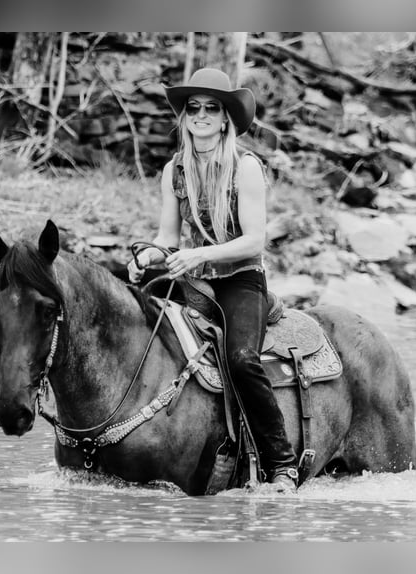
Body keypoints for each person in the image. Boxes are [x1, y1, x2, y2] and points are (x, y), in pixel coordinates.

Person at [127, 68, 298, 492]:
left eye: (211, 108)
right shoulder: (174, 171)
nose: (201, 114)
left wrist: (197, 254)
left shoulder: (247, 167)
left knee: (241, 359)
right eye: (193, 107)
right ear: (184, 117)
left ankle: (282, 464)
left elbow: (254, 241)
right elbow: (168, 238)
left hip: (241, 279)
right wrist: (148, 255)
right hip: (197, 279)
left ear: (226, 118)